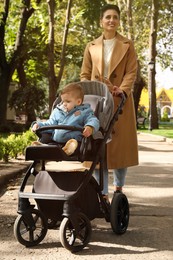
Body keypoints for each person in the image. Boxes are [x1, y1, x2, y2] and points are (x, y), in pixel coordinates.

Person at [80, 4, 138, 199]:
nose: (111, 20)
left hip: (119, 99)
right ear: (101, 21)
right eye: (108, 17)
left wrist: (123, 89)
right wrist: (87, 92)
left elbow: (131, 71)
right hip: (97, 101)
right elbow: (84, 74)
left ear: (118, 21)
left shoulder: (128, 45)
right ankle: (102, 192)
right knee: (98, 148)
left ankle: (119, 188)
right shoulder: (91, 46)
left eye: (115, 17)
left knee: (120, 148)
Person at [31, 83, 100, 155]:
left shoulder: (84, 112)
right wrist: (38, 125)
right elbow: (50, 123)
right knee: (46, 136)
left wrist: (90, 127)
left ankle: (66, 150)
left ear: (78, 102)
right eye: (63, 101)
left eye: (68, 101)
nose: (64, 104)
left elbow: (93, 120)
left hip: (73, 141)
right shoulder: (57, 111)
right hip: (56, 141)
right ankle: (44, 147)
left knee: (76, 145)